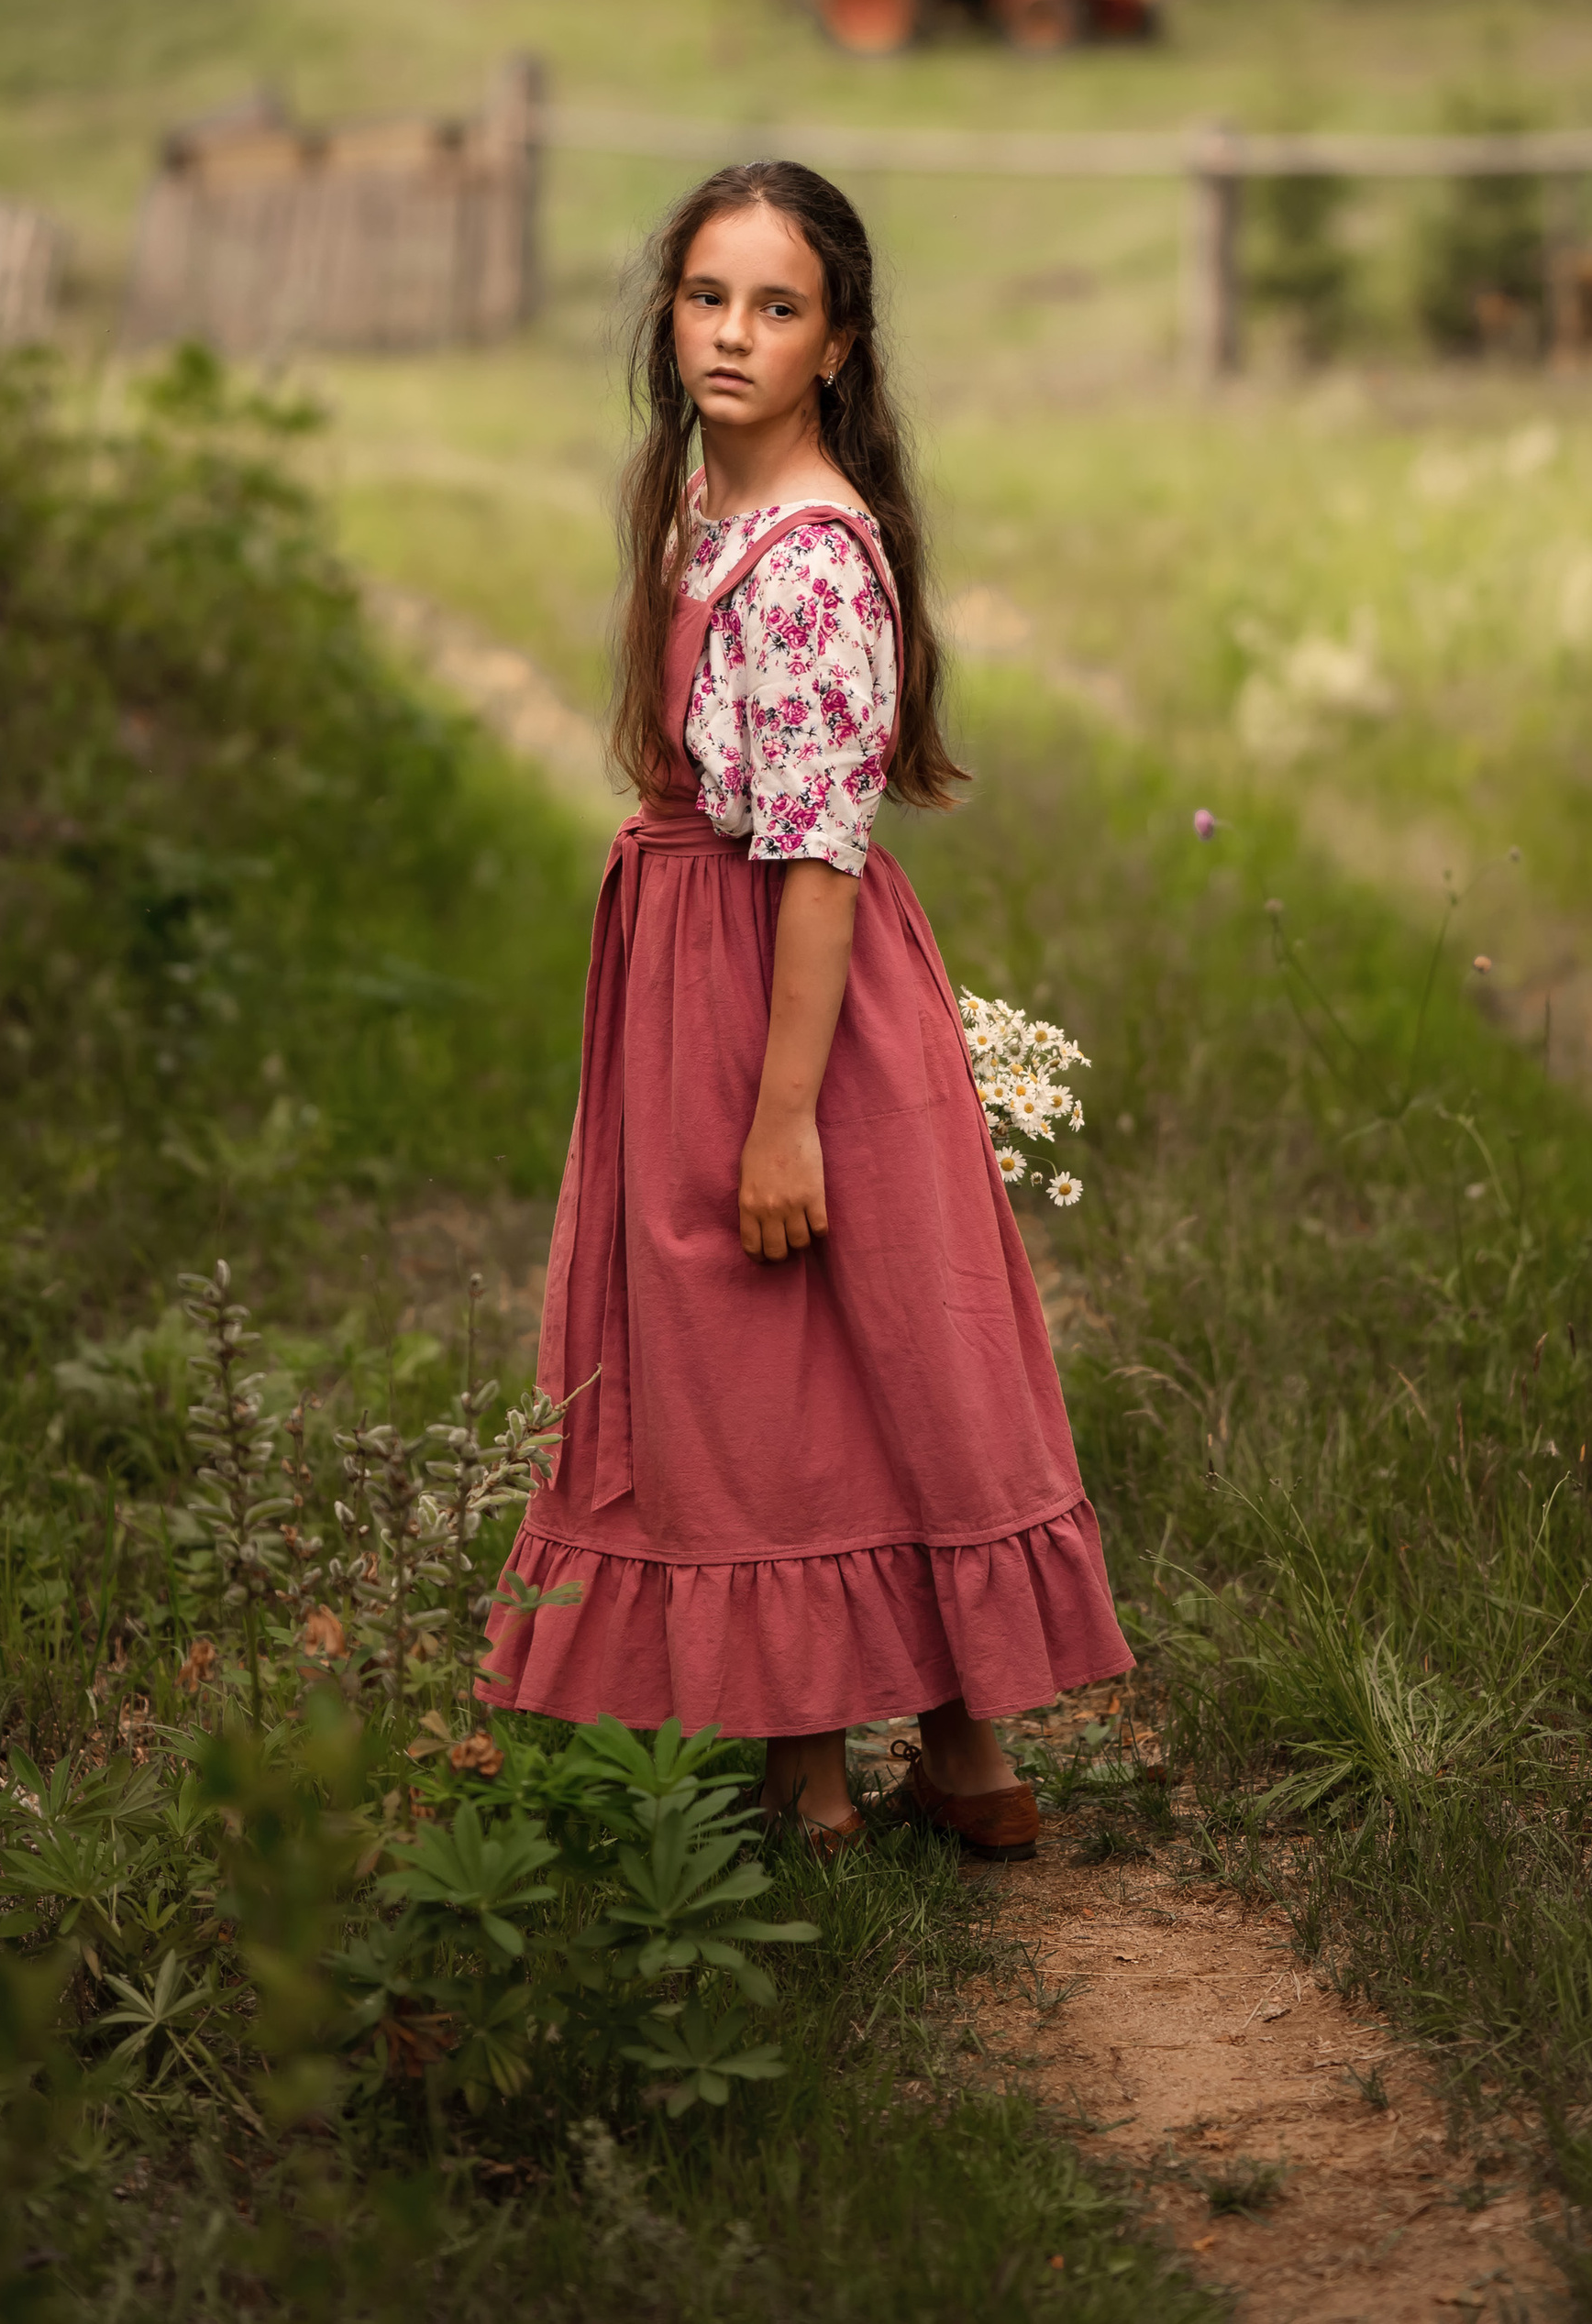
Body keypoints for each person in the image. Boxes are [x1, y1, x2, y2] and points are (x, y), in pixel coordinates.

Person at [481, 162, 1130, 1854]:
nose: (734, 334)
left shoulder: (815, 561)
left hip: (788, 993)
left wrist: (779, 1117)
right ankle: (866, 1757)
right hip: (711, 969)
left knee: (854, 1354)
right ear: (665, 314)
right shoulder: (711, 514)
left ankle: (878, 1759)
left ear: (837, 345)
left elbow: (821, 859)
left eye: (778, 307)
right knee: (793, 1365)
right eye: (707, 296)